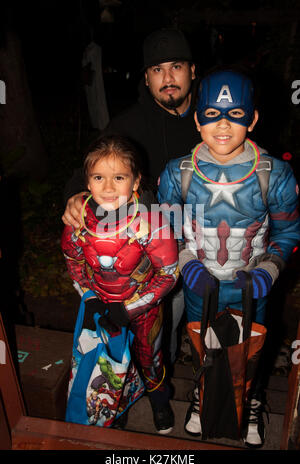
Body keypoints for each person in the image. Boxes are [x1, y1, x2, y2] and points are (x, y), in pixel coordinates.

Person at [157, 68, 300, 447]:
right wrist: (186, 264)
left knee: (248, 350)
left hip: (252, 287)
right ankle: (204, 396)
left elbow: (287, 232)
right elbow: (166, 233)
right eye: (212, 114)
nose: (223, 125)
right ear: (197, 120)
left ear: (252, 119)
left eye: (235, 115)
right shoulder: (177, 173)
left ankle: (249, 399)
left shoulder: (276, 174)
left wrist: (269, 269)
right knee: (202, 345)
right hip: (198, 285)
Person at [62, 27, 200, 365]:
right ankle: (149, 382)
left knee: (208, 329)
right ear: (147, 78)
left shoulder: (212, 120)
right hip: (154, 252)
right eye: (157, 70)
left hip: (210, 240)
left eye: (176, 66)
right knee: (158, 331)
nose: (167, 78)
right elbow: (88, 170)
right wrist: (74, 196)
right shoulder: (127, 124)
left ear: (192, 71)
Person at [61, 134, 179, 434]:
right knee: (111, 361)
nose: (109, 187)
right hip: (101, 305)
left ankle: (159, 400)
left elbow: (169, 274)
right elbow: (73, 262)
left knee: (149, 357)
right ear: (87, 181)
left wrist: (130, 309)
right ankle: (119, 402)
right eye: (99, 177)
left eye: (119, 177)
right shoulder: (78, 222)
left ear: (136, 182)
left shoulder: (151, 223)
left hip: (143, 307)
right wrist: (89, 296)